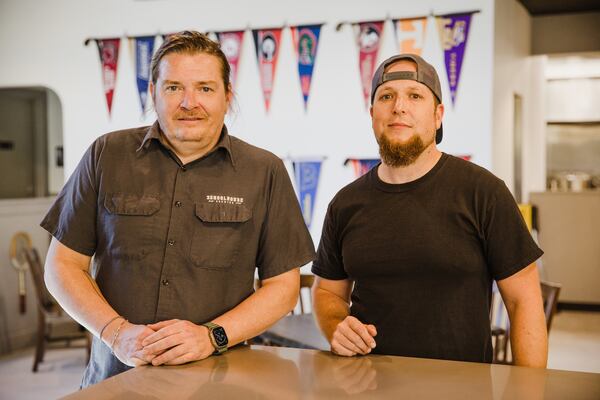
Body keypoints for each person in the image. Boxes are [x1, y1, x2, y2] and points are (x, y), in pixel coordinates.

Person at [41, 31, 315, 387]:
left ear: (227, 96)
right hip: (114, 379)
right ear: (153, 92)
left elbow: (283, 287)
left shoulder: (265, 171)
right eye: (173, 88)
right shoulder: (106, 155)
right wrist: (116, 332)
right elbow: (62, 266)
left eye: (205, 88)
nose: (189, 102)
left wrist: (210, 336)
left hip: (221, 383)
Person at [311, 53, 548, 367]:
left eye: (414, 95)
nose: (399, 107)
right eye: (387, 96)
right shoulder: (345, 203)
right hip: (365, 385)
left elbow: (523, 302)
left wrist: (527, 391)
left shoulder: (483, 192)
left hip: (461, 389)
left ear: (438, 115)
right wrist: (337, 326)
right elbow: (327, 291)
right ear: (372, 114)